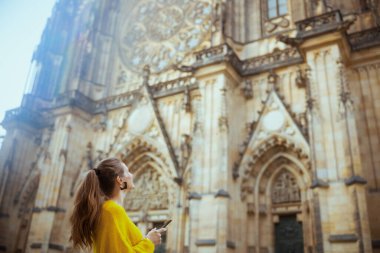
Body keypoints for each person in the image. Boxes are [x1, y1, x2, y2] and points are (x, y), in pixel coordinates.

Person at [69, 157, 166, 252]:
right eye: (128, 172)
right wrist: (149, 242)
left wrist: (147, 239)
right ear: (120, 180)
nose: (131, 175)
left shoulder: (108, 209)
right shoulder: (111, 210)